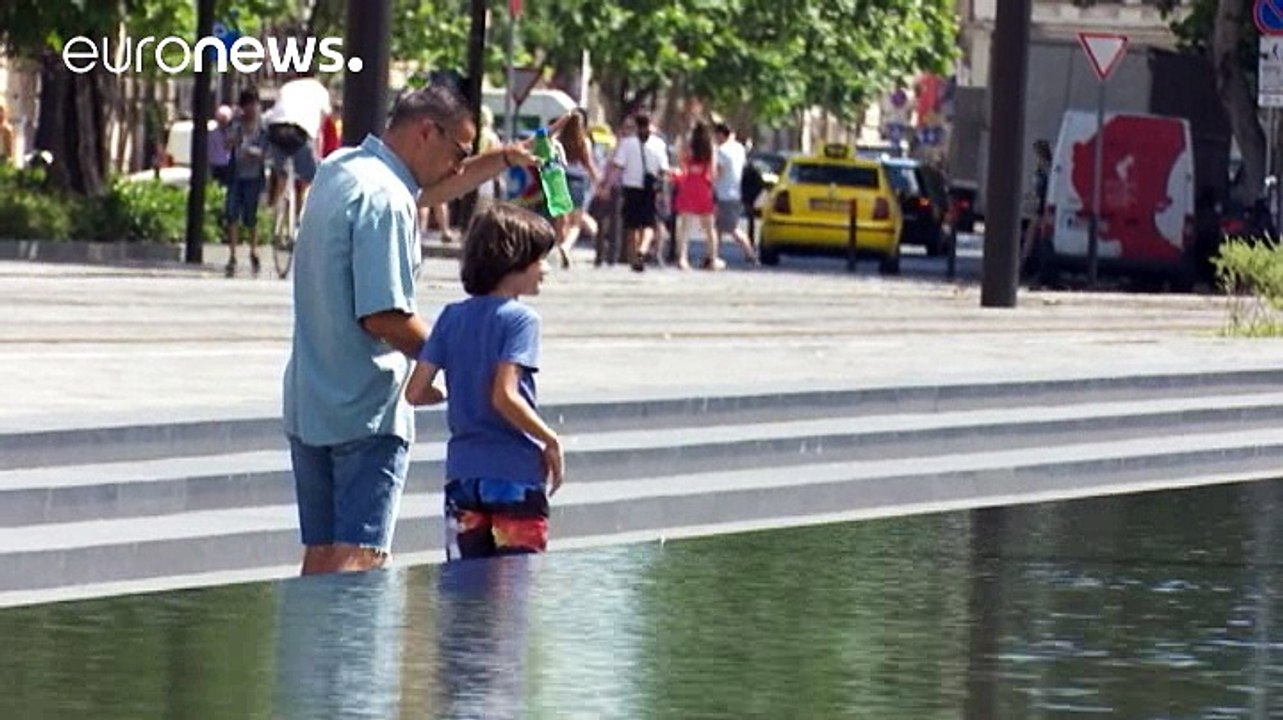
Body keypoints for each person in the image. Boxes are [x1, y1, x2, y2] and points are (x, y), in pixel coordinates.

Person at [282, 83, 535, 576]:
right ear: (426, 132)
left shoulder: (341, 169)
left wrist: (504, 158)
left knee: (322, 555)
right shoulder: (389, 200)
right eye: (458, 152)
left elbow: (430, 190)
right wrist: (461, 358)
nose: (459, 167)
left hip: (310, 400)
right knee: (360, 558)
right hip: (365, 409)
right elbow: (384, 316)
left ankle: (312, 633)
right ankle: (350, 635)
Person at [404, 203, 564, 561]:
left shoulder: (451, 316)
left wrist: (450, 392)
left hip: (463, 476)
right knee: (516, 586)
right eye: (540, 259)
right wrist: (549, 439)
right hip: (514, 473)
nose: (546, 269)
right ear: (514, 262)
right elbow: (504, 395)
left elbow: (415, 392)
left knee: (466, 585)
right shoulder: (521, 320)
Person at [263, 71, 331, 219]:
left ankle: (275, 213)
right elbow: (320, 128)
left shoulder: (287, 86)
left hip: (276, 129)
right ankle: (302, 215)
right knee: (309, 178)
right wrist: (318, 153)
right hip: (301, 131)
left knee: (281, 173)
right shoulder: (320, 90)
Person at [611, 112, 669, 272]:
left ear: (636, 125)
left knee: (632, 225)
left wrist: (608, 185)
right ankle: (642, 250)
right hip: (650, 189)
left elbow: (618, 165)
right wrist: (662, 189)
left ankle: (634, 256)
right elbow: (664, 169)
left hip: (631, 188)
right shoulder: (659, 144)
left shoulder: (627, 143)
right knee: (649, 223)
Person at [224, 89, 269, 277]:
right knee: (232, 213)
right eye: (248, 105)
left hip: (254, 176)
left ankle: (254, 251)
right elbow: (227, 144)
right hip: (236, 175)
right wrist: (233, 138)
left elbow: (266, 153)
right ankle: (232, 255)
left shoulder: (263, 128)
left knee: (251, 216)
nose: (252, 109)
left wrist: (253, 152)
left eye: (254, 104)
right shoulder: (236, 125)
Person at [550, 108, 599, 269]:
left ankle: (561, 246)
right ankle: (566, 246)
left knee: (561, 219)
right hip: (578, 181)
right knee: (576, 222)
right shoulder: (584, 141)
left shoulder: (557, 140)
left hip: (559, 179)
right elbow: (588, 164)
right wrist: (597, 181)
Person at [712, 122, 760, 267]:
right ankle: (713, 255)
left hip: (724, 193)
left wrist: (710, 182)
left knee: (731, 228)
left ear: (720, 135)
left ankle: (750, 254)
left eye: (716, 135)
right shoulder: (739, 148)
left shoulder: (722, 151)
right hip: (736, 192)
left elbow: (718, 172)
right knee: (718, 228)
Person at [672, 122, 718, 271]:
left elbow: (681, 165)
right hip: (704, 188)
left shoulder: (688, 148)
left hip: (688, 187)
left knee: (684, 227)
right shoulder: (710, 149)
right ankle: (712, 259)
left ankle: (682, 258)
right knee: (709, 228)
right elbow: (713, 173)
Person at [1020, 139, 1053, 284]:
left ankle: (1026, 264)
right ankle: (1026, 264)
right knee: (1032, 236)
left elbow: (1043, 187)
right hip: (1040, 206)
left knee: (1034, 236)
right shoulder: (1043, 168)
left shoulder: (1047, 168)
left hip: (1043, 206)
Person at [209, 104, 234, 188]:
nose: (224, 123)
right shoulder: (212, 134)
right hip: (216, 166)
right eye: (221, 120)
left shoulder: (231, 133)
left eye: (225, 120)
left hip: (227, 166)